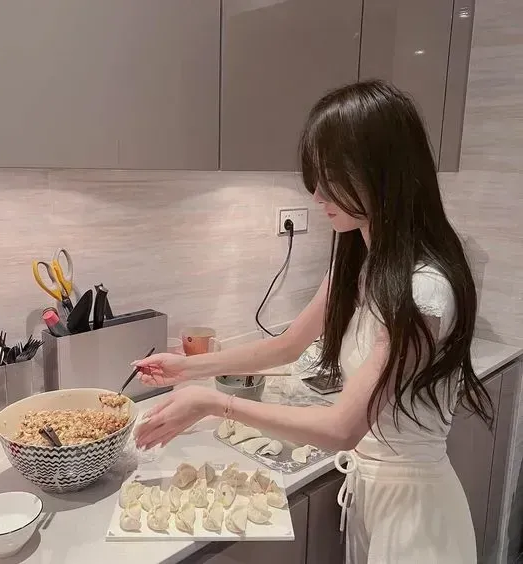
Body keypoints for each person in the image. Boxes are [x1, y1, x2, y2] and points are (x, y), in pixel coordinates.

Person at [133, 80, 491, 563]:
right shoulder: (360, 262)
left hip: (415, 517)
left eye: (332, 175)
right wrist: (188, 368)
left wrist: (214, 403)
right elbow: (287, 345)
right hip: (370, 499)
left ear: (383, 170)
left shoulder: (422, 290)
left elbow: (343, 428)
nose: (317, 192)